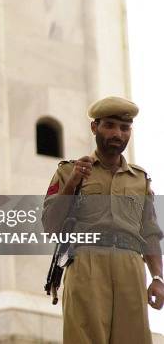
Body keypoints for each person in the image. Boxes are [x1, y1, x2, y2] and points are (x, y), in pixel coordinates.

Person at [42, 96, 164, 344]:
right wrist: (74, 182)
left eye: (124, 127)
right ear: (94, 127)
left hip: (130, 266)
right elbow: (50, 224)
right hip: (86, 263)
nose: (117, 133)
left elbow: (150, 233)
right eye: (109, 125)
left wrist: (158, 278)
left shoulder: (140, 179)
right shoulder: (68, 171)